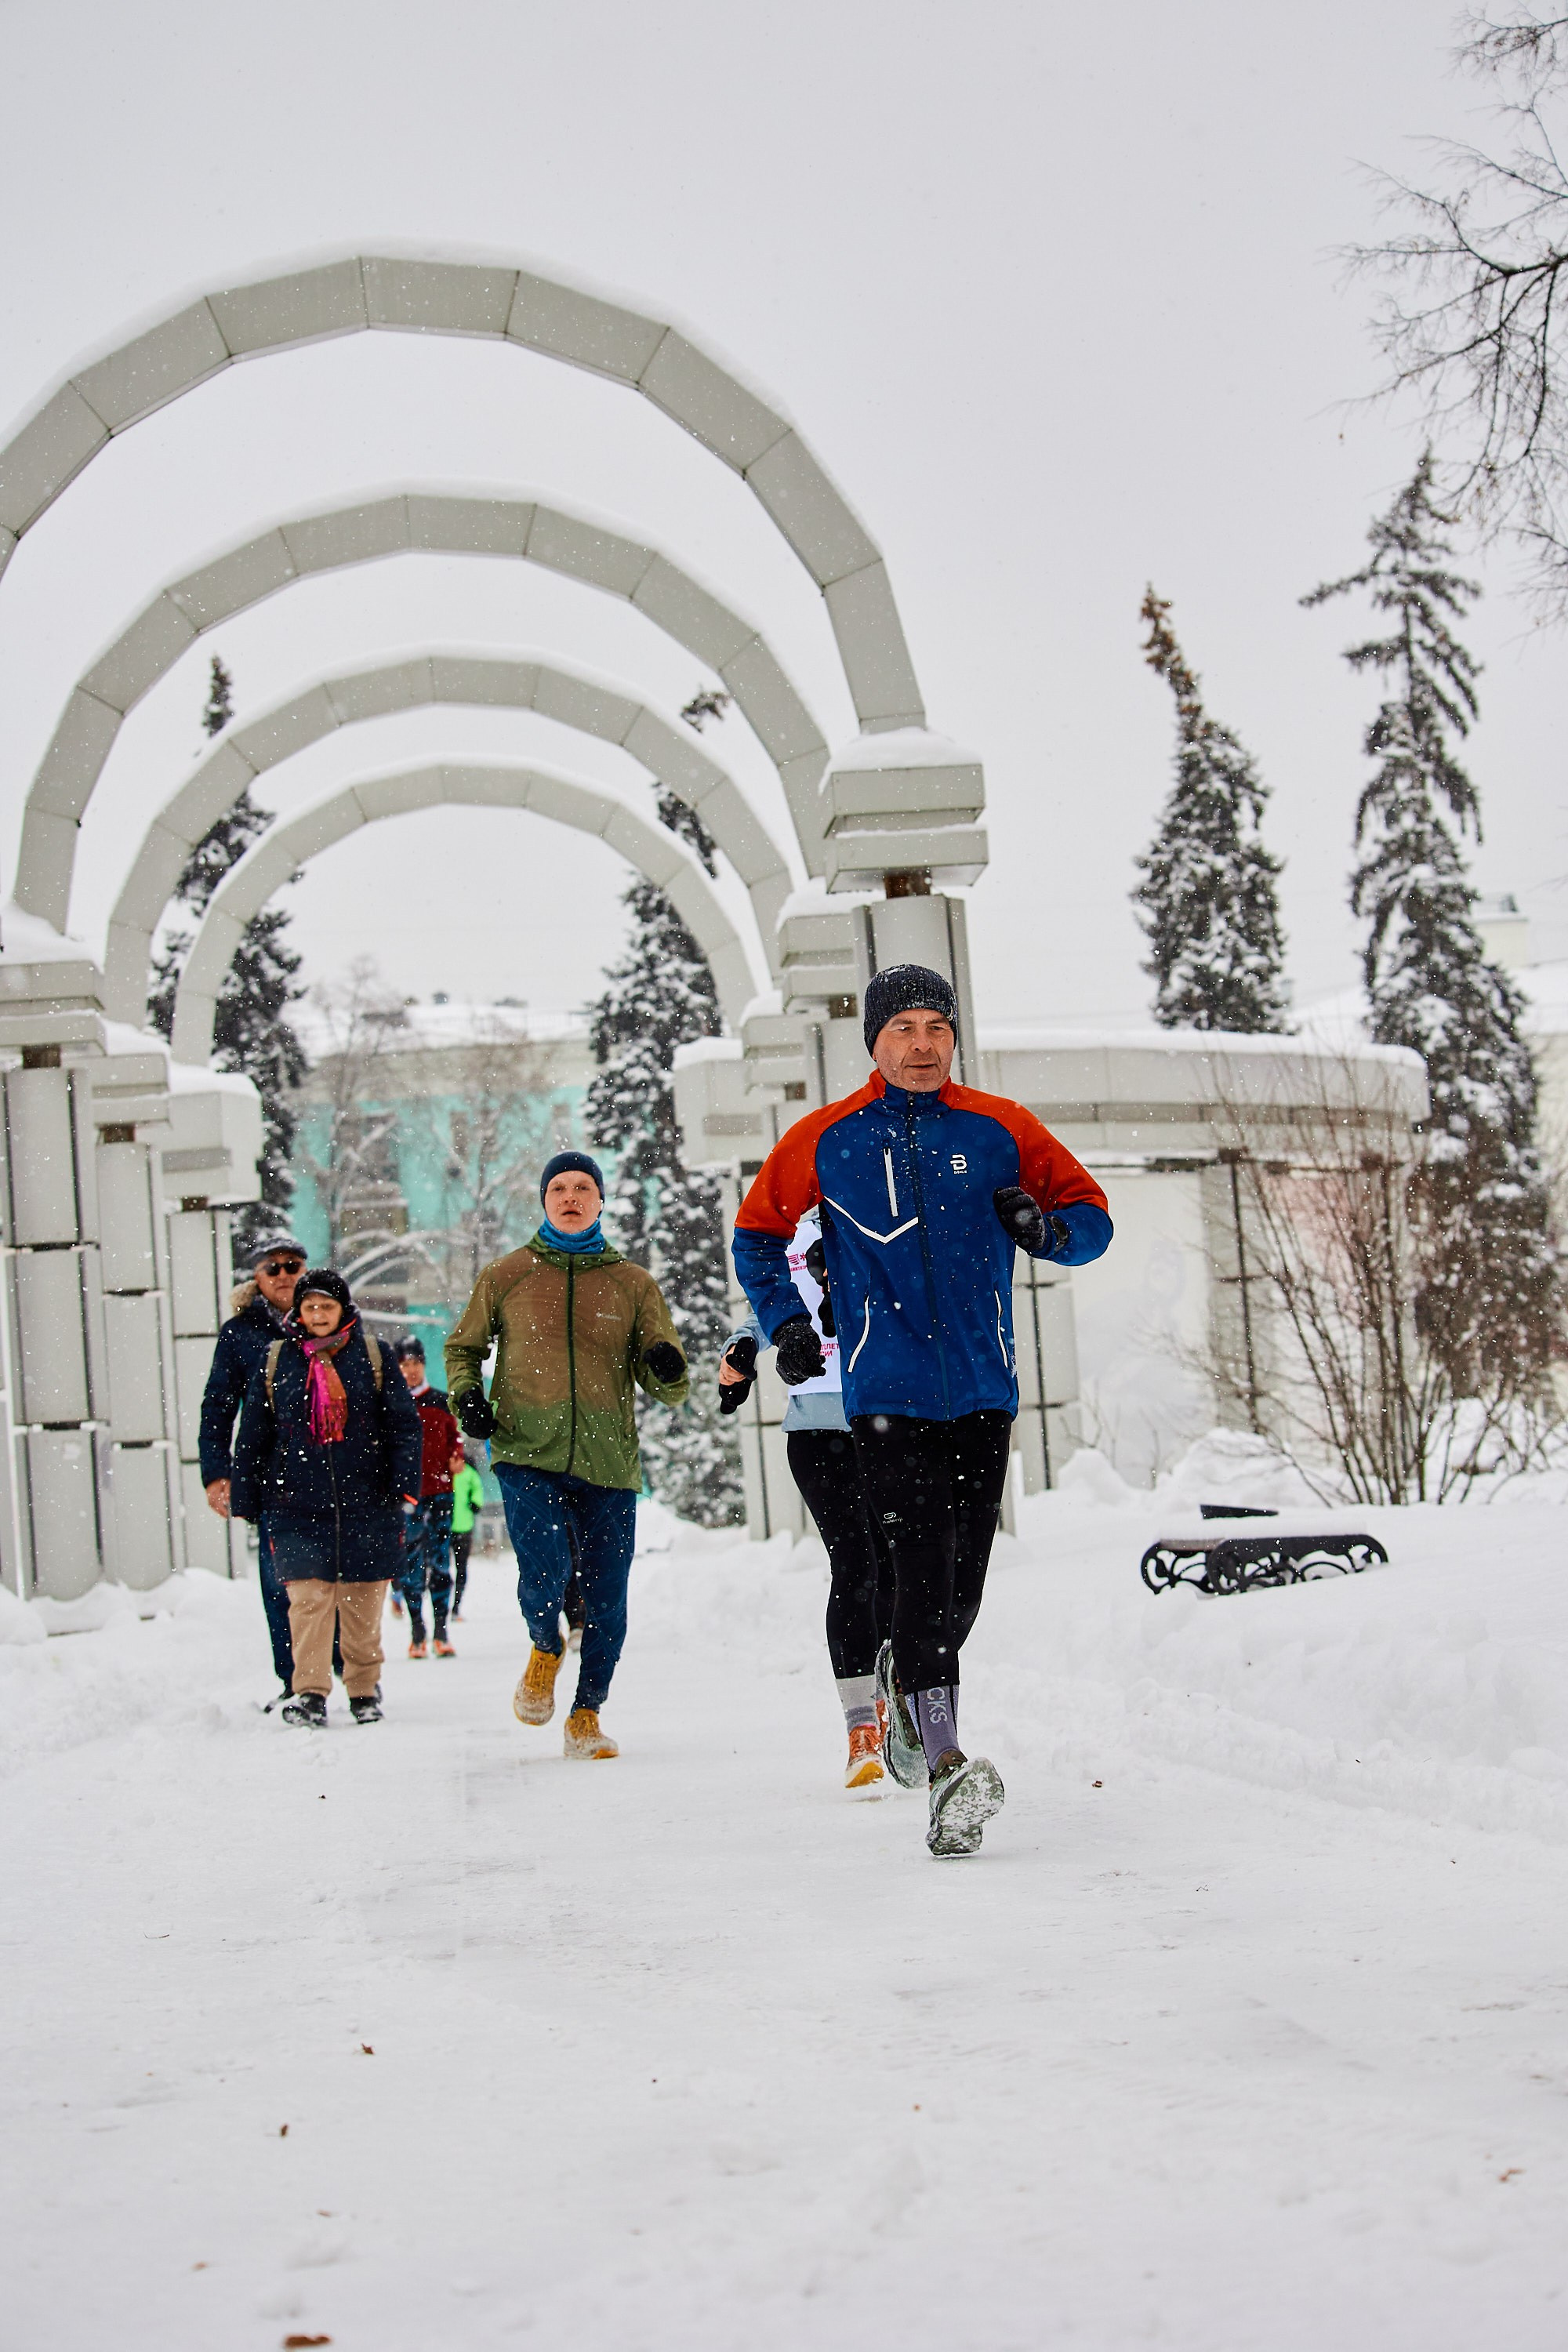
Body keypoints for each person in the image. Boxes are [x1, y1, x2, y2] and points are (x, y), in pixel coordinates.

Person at [732, 964, 1112, 1859]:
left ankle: (908, 1680)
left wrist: (1045, 1232)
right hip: (881, 1394)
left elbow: (1091, 1217)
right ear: (874, 1041)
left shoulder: (999, 1129)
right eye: (901, 1028)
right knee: (917, 1568)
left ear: (953, 1038)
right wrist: (785, 1324)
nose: (920, 1044)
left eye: (935, 1028)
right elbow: (756, 1235)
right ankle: (945, 1761)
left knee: (960, 1587)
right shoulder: (826, 1139)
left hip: (982, 1389)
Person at [445, 1150, 690, 1760]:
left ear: (601, 1201)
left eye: (584, 1187)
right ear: (545, 1201)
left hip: (609, 1460)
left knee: (609, 1596)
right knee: (546, 1568)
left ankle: (586, 1713)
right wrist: (468, 1397)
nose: (571, 1196)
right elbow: (462, 1348)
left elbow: (671, 1385)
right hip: (527, 1450)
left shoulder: (634, 1284)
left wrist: (666, 1365)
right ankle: (545, 1648)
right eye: (559, 1188)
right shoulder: (508, 1274)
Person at [718, 1206, 895, 1794]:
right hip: (818, 1430)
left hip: (893, 1420)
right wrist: (742, 1349)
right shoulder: (790, 1231)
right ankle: (861, 1729)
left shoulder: (881, 1216)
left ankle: (902, 1706)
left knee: (900, 1570)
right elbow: (770, 1309)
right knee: (856, 1568)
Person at [230, 1269, 423, 1729]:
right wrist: (248, 1497)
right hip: (296, 1503)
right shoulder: (277, 1360)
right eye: (310, 1306)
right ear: (299, 1311)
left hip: (367, 1502)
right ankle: (310, 1692)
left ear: (343, 1310)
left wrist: (404, 1486)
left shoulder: (373, 1356)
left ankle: (362, 1690)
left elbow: (402, 1426)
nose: (318, 1315)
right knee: (310, 1603)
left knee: (361, 1603)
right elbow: (254, 1433)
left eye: (326, 1306)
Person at [197, 1234, 309, 1697]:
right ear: (257, 1278)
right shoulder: (239, 1333)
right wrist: (216, 1473)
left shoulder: (330, 1321)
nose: (284, 1275)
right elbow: (217, 1406)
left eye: (293, 1265)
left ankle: (343, 1673)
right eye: (273, 1268)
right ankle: (294, 1680)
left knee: (336, 1580)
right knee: (280, 1581)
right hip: (271, 1476)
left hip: (333, 1472)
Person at [391, 1338, 462, 1659]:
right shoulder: (391, 1403)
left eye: (415, 1363)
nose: (410, 1370)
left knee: (441, 1562)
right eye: (404, 1364)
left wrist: (456, 1459)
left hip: (442, 1492)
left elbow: (454, 1440)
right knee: (411, 1565)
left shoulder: (441, 1401)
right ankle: (417, 1630)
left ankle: (441, 1631)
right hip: (408, 1496)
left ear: (424, 1364)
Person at [448, 1446, 485, 1619]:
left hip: (463, 1526)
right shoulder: (445, 1472)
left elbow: (478, 1490)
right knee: (443, 1568)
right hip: (445, 1526)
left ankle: (456, 1605)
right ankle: (443, 1605)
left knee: (460, 1568)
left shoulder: (470, 1473)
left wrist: (476, 1503)